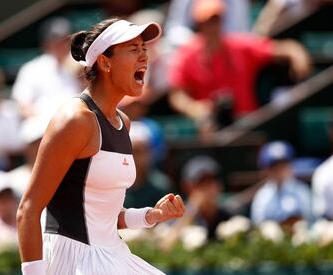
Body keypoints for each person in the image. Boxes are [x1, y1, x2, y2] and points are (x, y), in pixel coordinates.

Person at [17, 18, 185, 275]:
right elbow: (28, 209)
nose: (144, 57)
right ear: (105, 62)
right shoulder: (75, 120)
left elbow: (104, 217)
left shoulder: (123, 123)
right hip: (74, 259)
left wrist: (151, 215)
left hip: (112, 254)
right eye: (133, 50)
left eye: (144, 49)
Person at [168, 0, 312, 133]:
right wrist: (194, 108)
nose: (213, 26)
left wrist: (298, 57)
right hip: (212, 127)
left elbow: (284, 48)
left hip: (247, 124)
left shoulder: (239, 46)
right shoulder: (187, 54)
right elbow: (176, 94)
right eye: (208, 21)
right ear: (199, 24)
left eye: (217, 20)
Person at [12, 17, 81, 120]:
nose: (62, 45)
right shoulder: (32, 69)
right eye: (57, 41)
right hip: (42, 126)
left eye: (66, 40)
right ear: (46, 43)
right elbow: (23, 107)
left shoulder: (81, 64)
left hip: (77, 121)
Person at [251, 141, 312, 226]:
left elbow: (311, 222)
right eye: (275, 167)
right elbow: (258, 225)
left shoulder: (302, 191)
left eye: (283, 166)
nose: (280, 171)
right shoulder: (262, 196)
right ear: (267, 170)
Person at [123, 121, 173, 209]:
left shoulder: (162, 185)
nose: (142, 157)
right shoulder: (114, 185)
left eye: (145, 150)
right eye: (136, 151)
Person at [8, 116, 48, 198]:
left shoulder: (64, 174)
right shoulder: (13, 179)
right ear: (25, 147)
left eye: (43, 140)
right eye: (35, 143)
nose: (40, 146)